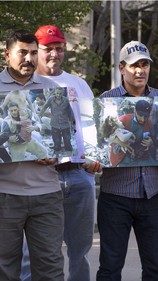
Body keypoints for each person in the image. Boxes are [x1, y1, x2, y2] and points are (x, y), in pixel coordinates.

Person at [20, 25, 102, 281]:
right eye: (47, 49)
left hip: (78, 176)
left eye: (59, 48)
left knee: (81, 250)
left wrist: (95, 157)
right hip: (40, 177)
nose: (54, 54)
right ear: (36, 52)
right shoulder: (23, 86)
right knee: (31, 252)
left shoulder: (78, 84)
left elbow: (91, 127)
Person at [96, 40, 158, 281]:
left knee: (156, 269)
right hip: (115, 196)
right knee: (110, 268)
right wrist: (96, 158)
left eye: (145, 64)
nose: (140, 70)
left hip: (152, 194)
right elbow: (101, 146)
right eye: (134, 65)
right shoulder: (107, 101)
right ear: (121, 68)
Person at [0, 29, 65, 281]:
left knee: (50, 267)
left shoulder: (52, 90)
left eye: (33, 53)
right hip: (5, 195)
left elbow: (66, 141)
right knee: (4, 268)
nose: (29, 58)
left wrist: (58, 156)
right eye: (22, 53)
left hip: (47, 195)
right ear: (7, 55)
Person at [39, 87, 75, 154]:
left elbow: (71, 112)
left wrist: (73, 122)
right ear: (55, 92)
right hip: (54, 124)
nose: (58, 95)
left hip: (65, 124)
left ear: (63, 94)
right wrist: (39, 115)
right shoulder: (51, 99)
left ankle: (70, 155)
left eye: (60, 94)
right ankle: (57, 154)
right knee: (56, 142)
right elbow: (44, 107)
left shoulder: (66, 100)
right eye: (57, 93)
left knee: (67, 141)